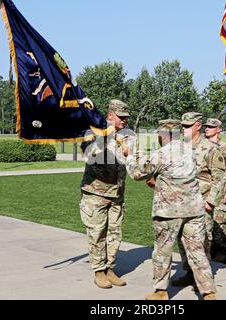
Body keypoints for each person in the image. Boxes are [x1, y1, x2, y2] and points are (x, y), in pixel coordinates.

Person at [123, 119, 216, 300]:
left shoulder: (162, 154)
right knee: (197, 252)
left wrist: (129, 155)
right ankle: (208, 292)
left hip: (169, 211)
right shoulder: (189, 150)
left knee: (162, 252)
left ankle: (160, 292)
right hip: (194, 210)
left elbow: (137, 173)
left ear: (162, 134)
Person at [79, 99, 134, 289]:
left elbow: (135, 158)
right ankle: (98, 271)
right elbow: (89, 155)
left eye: (127, 118)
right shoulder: (93, 132)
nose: (125, 121)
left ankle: (110, 267)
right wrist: (106, 138)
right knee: (97, 234)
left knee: (114, 234)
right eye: (121, 117)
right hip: (96, 193)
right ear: (110, 116)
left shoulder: (128, 136)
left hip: (117, 194)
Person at [171, 112, 226, 289]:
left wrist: (211, 201)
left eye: (187, 126)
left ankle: (202, 278)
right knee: (182, 240)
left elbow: (220, 177)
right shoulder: (179, 147)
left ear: (198, 126)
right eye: (183, 126)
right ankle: (189, 273)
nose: (184, 129)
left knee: (202, 240)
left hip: (201, 202)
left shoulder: (210, 148)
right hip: (181, 202)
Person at [204, 118, 226, 261]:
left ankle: (221, 249)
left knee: (219, 222)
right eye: (206, 126)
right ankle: (208, 248)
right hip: (205, 190)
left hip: (220, 190)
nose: (207, 129)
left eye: (211, 127)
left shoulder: (224, 147)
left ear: (218, 129)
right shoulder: (203, 145)